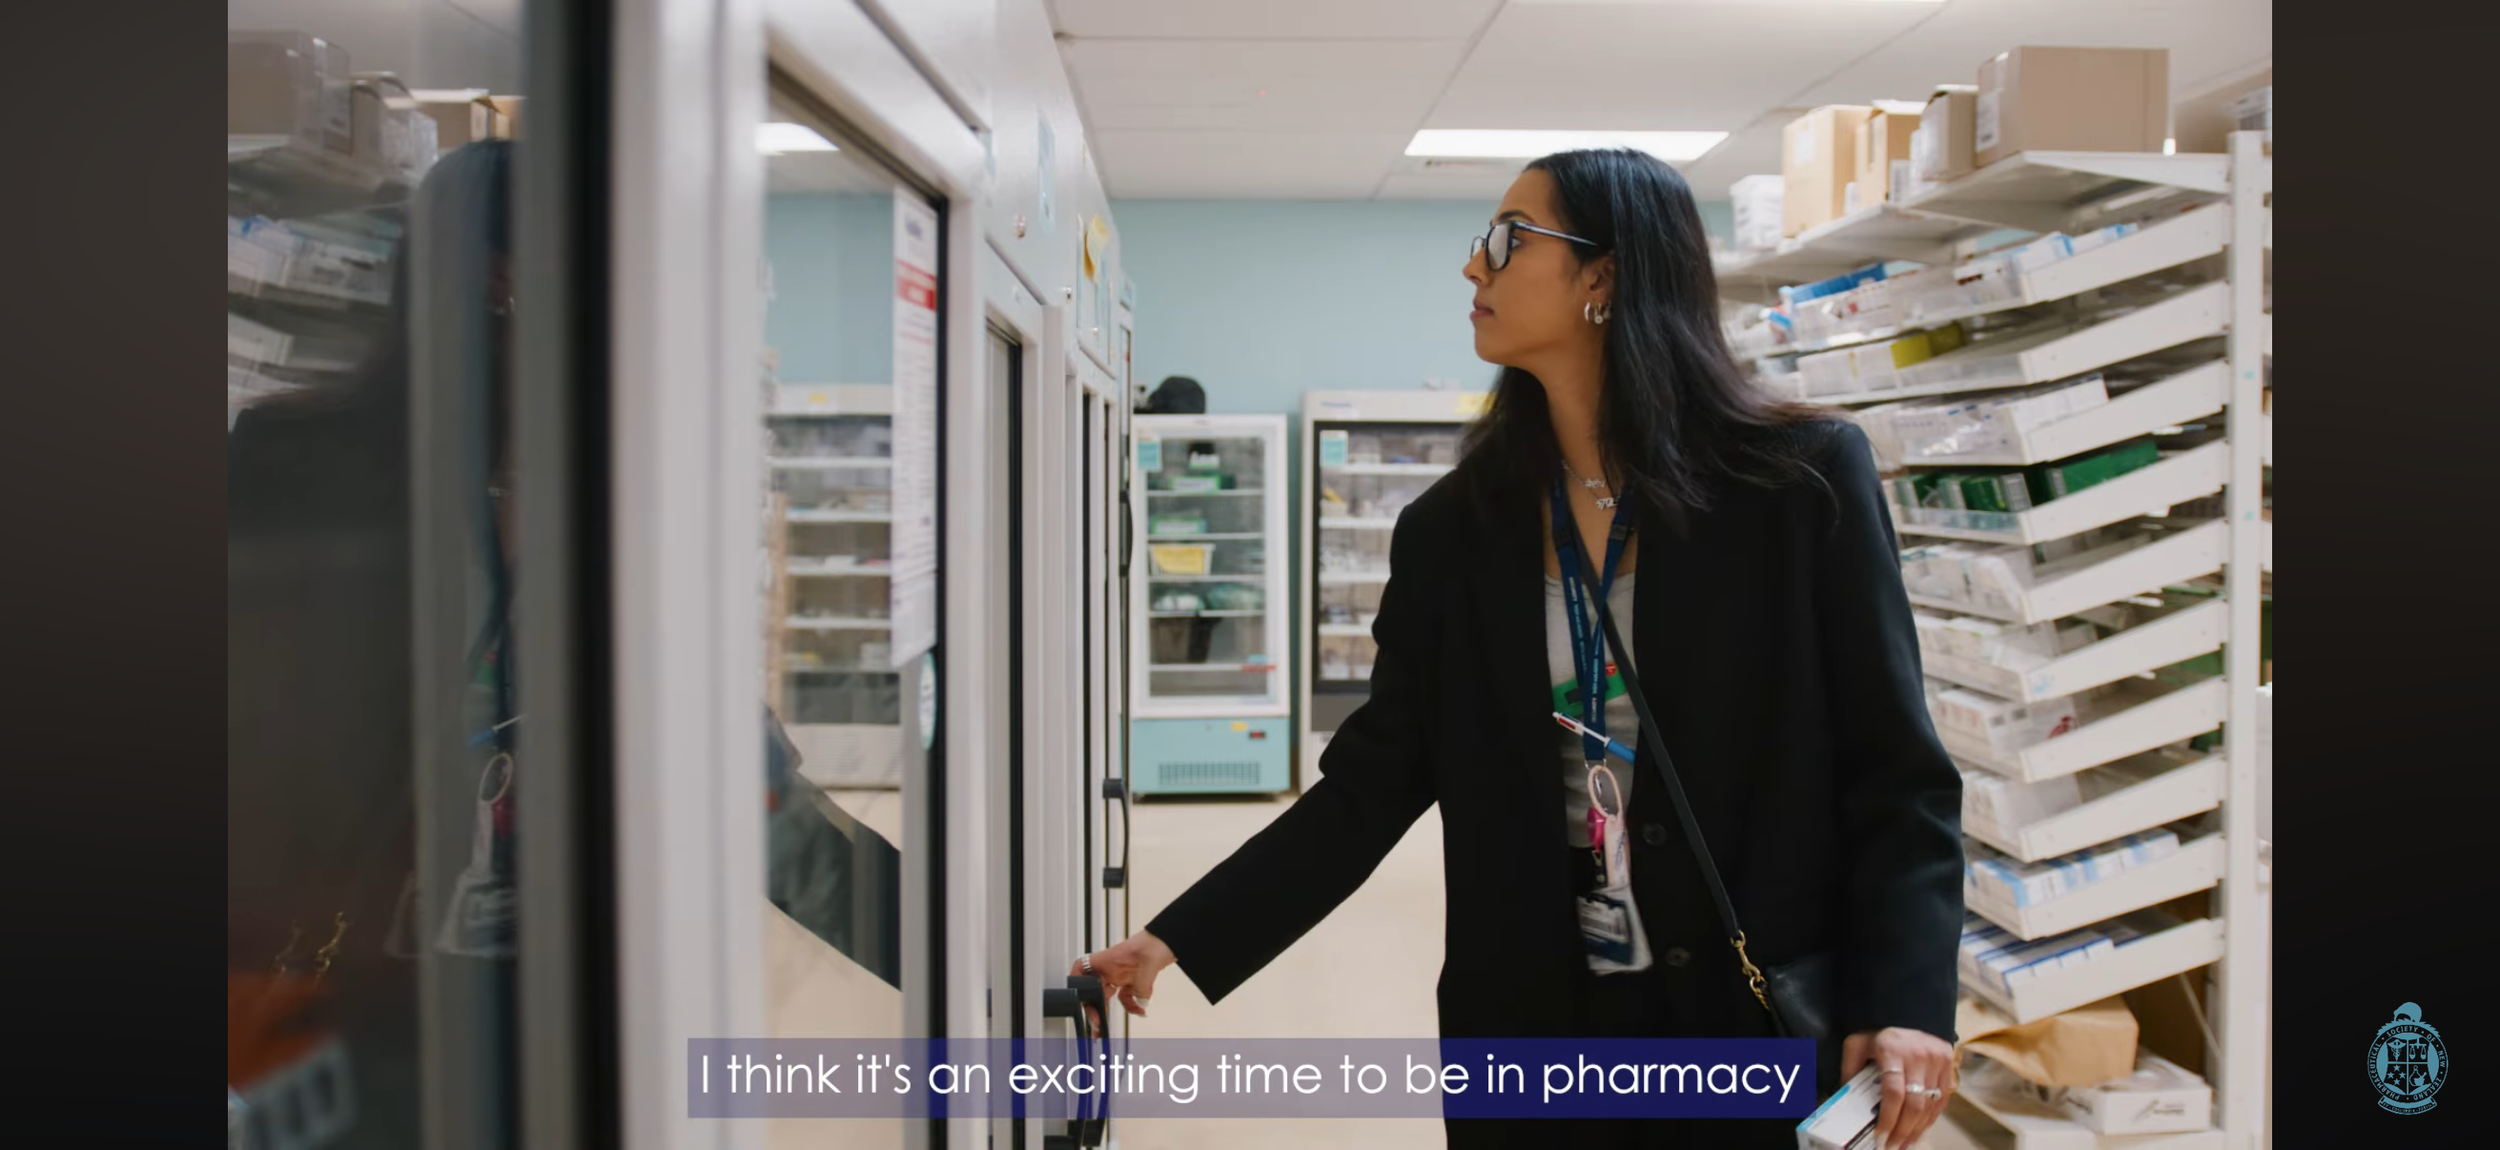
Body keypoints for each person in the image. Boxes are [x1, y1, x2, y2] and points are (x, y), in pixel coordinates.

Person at [1077, 149, 1964, 1149]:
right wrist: (1176, 936)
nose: (1474, 270)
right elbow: (1372, 781)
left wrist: (1908, 995)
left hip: (1737, 1001)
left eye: (1507, 242)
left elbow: (1896, 774)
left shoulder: (1799, 487)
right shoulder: (1456, 530)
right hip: (1534, 1019)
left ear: (1605, 274)